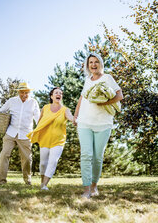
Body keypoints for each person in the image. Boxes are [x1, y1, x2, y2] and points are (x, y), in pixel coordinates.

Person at [74, 53, 123, 198]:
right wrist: (76, 115)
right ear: (87, 65)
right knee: (86, 155)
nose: (93, 65)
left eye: (96, 62)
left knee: (97, 157)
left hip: (103, 123)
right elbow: (82, 98)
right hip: (84, 122)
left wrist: (104, 103)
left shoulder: (107, 78)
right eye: (90, 62)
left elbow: (119, 95)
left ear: (100, 63)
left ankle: (94, 186)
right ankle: (86, 189)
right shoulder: (87, 80)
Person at [27, 87, 74, 190]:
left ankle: (44, 185)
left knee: (53, 161)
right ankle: (42, 183)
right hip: (45, 139)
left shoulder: (65, 110)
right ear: (52, 96)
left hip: (58, 141)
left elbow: (71, 117)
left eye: (60, 93)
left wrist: (75, 120)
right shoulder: (45, 108)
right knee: (43, 163)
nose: (59, 94)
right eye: (56, 93)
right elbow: (40, 122)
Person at [0, 82, 40, 185]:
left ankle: (27, 180)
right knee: (4, 155)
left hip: (26, 134)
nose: (24, 95)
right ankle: (2, 180)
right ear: (18, 92)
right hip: (11, 132)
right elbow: (1, 112)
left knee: (27, 158)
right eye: (22, 92)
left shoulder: (33, 102)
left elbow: (38, 118)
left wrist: (41, 130)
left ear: (29, 92)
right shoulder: (12, 101)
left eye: (26, 93)